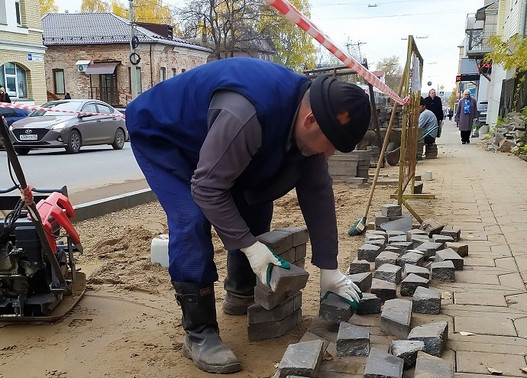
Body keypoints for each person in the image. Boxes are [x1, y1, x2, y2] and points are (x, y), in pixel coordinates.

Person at [125, 57, 370, 374]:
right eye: (332, 144)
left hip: (214, 137)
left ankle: (239, 293)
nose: (331, 153)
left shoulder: (309, 115)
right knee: (192, 219)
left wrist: (329, 266)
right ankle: (199, 334)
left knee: (256, 196)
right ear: (311, 121)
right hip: (165, 136)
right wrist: (250, 247)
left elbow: (318, 191)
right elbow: (208, 188)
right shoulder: (246, 113)